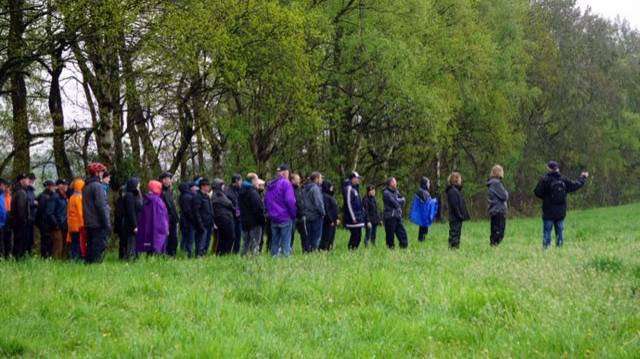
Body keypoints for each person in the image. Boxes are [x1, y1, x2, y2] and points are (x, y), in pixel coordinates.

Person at [534, 161, 588, 249]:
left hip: (548, 211)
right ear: (557, 169)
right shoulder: (563, 179)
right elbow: (575, 185)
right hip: (560, 212)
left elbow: (537, 192)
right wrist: (583, 177)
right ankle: (559, 249)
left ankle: (546, 250)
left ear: (549, 168)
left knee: (547, 232)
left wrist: (546, 197)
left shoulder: (545, 179)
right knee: (560, 232)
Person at [264, 164, 297, 257]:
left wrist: (270, 213)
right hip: (285, 217)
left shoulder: (271, 185)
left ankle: (273, 258)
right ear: (285, 172)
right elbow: (290, 200)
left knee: (275, 241)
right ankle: (285, 260)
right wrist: (293, 214)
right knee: (286, 241)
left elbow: (266, 200)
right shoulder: (286, 183)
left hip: (273, 217)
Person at [83, 163, 111, 263]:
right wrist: (107, 223)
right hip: (98, 223)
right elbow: (101, 206)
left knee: (90, 248)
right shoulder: (98, 187)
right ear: (97, 173)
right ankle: (95, 269)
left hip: (88, 222)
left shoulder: (86, 186)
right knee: (98, 248)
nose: (103, 174)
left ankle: (89, 269)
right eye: (102, 171)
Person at [136, 180, 169, 255]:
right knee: (157, 247)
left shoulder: (146, 199)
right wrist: (166, 228)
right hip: (158, 229)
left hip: (148, 228)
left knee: (149, 246)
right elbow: (162, 217)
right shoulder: (158, 201)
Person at [239, 173, 265, 256]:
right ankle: (255, 260)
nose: (258, 182)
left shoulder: (241, 191)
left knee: (245, 243)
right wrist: (262, 220)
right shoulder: (252, 192)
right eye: (257, 180)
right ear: (253, 180)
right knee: (255, 243)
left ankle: (243, 257)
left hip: (244, 222)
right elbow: (258, 208)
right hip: (255, 222)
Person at [119, 178, 143, 259]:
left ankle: (132, 257)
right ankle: (130, 257)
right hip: (129, 224)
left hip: (133, 222)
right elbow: (131, 212)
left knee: (133, 241)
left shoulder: (134, 195)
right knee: (130, 241)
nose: (139, 186)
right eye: (138, 184)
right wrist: (134, 225)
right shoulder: (129, 196)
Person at [211, 179, 236, 255]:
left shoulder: (220, 194)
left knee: (224, 238)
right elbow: (229, 204)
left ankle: (222, 253)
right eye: (222, 185)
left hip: (226, 218)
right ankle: (224, 253)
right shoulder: (217, 195)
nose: (224, 187)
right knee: (229, 237)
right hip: (224, 219)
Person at [446, 172, 470, 249]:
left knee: (457, 232)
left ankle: (455, 247)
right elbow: (455, 205)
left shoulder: (455, 190)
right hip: (455, 217)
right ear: (456, 180)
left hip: (456, 217)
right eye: (459, 179)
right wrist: (459, 215)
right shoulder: (452, 191)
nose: (461, 180)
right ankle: (453, 247)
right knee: (454, 233)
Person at [45, 179, 69, 259]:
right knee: (58, 246)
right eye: (63, 184)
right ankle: (55, 265)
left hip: (64, 225)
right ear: (58, 186)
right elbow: (49, 212)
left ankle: (62, 264)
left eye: (66, 184)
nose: (65, 186)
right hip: (57, 226)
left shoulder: (64, 197)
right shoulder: (55, 197)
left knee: (64, 246)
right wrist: (56, 224)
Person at [409, 177, 438, 242]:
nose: (429, 184)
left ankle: (422, 240)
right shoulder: (422, 192)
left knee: (423, 228)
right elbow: (427, 202)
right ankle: (421, 240)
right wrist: (435, 201)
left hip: (424, 214)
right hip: (424, 214)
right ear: (425, 183)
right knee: (423, 228)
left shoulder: (423, 191)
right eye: (428, 183)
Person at [383, 177, 408, 249]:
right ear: (391, 183)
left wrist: (399, 200)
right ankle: (390, 251)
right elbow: (395, 203)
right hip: (390, 217)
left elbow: (403, 200)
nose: (396, 183)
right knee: (390, 236)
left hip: (397, 216)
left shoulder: (396, 191)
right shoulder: (386, 193)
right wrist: (399, 200)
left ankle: (403, 249)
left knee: (402, 234)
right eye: (394, 181)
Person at [342, 171, 366, 249]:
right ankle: (351, 250)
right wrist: (353, 217)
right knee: (355, 235)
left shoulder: (355, 188)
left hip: (358, 216)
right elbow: (349, 204)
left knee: (358, 236)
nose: (358, 180)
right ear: (352, 179)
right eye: (357, 178)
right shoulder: (349, 189)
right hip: (353, 218)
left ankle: (354, 250)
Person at [302, 172, 325, 251]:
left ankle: (308, 251)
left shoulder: (304, 188)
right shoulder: (315, 189)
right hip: (316, 216)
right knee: (316, 237)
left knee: (309, 236)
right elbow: (318, 203)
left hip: (307, 216)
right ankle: (314, 251)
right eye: (321, 178)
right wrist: (323, 212)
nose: (322, 180)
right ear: (316, 179)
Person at [487, 165, 509, 246]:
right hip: (499, 210)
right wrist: (506, 192)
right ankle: (495, 245)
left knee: (494, 230)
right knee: (499, 231)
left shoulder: (491, 183)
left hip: (493, 209)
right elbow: (504, 196)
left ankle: (493, 245)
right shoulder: (496, 183)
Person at [11, 174, 32, 259]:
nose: (28, 181)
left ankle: (18, 258)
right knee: (20, 242)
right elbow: (21, 208)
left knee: (18, 241)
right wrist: (24, 221)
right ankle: (19, 259)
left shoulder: (18, 191)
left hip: (17, 222)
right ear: (21, 181)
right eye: (26, 179)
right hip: (20, 223)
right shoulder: (21, 192)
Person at [192, 178, 214, 257]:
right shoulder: (197, 197)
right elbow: (196, 212)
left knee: (207, 242)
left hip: (209, 223)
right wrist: (200, 224)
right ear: (202, 186)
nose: (209, 187)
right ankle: (199, 256)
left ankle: (204, 254)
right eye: (207, 186)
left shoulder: (207, 196)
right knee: (201, 242)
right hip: (202, 224)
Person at [159, 172, 179, 257]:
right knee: (169, 239)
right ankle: (167, 255)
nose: (170, 181)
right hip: (167, 220)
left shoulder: (169, 191)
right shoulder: (162, 192)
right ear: (163, 180)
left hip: (173, 219)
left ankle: (172, 255)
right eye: (168, 179)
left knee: (174, 239)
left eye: (170, 179)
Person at [66, 179, 86, 261]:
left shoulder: (71, 197)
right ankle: (76, 259)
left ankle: (73, 258)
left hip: (71, 225)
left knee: (73, 243)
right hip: (78, 225)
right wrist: (83, 225)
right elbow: (80, 212)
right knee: (78, 243)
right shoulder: (78, 198)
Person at [36, 180, 56, 258]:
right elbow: (41, 211)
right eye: (52, 186)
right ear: (48, 186)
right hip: (45, 222)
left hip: (46, 222)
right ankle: (45, 256)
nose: (54, 188)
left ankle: (46, 255)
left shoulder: (44, 195)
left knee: (47, 240)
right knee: (45, 240)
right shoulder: (44, 196)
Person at [178, 181, 197, 257]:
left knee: (184, 237)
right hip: (188, 221)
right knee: (190, 238)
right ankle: (188, 253)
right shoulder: (188, 197)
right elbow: (188, 211)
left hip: (183, 220)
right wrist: (193, 219)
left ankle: (183, 251)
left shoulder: (182, 196)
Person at [290, 173, 307, 253]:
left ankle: (305, 249)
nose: (299, 180)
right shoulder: (290, 189)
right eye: (297, 179)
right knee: (291, 235)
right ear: (292, 180)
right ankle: (289, 249)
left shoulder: (299, 189)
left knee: (304, 234)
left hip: (301, 215)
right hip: (293, 216)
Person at [226, 173, 243, 254]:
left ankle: (236, 253)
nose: (241, 183)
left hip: (238, 219)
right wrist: (235, 210)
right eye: (240, 181)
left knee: (238, 237)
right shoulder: (228, 192)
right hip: (231, 218)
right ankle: (228, 252)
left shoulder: (239, 190)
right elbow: (229, 205)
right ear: (236, 181)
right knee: (232, 236)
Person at [319, 180, 339, 251]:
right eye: (330, 187)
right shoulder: (325, 197)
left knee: (331, 238)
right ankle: (324, 250)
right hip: (328, 221)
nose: (332, 188)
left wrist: (336, 218)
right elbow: (327, 210)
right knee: (326, 237)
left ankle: (328, 249)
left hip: (333, 221)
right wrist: (331, 220)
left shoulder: (330, 196)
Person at [26, 173, 37, 255]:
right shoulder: (26, 190)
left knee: (31, 237)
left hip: (32, 217)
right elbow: (26, 203)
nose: (32, 182)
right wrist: (34, 203)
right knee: (27, 236)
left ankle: (29, 252)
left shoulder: (32, 191)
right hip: (27, 217)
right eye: (31, 180)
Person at [0, 178, 11, 258]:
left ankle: (4, 256)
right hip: (1, 222)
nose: (5, 188)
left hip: (4, 222)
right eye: (4, 185)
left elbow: (5, 210)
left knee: (4, 241)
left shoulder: (3, 196)